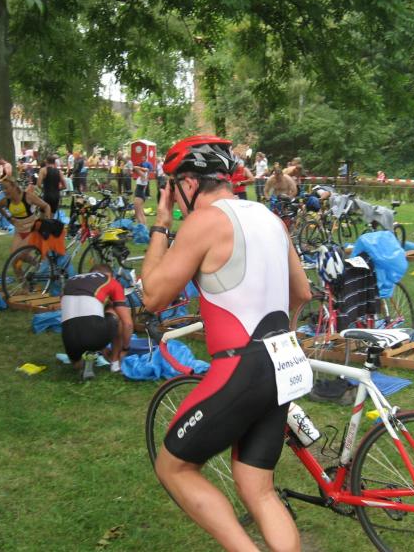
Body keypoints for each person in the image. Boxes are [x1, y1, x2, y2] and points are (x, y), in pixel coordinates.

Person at [140, 135, 310, 551]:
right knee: (259, 489)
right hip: (283, 361)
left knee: (174, 468)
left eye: (172, 189)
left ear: (188, 183)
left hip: (241, 366)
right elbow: (302, 293)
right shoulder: (270, 219)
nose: (174, 200)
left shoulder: (204, 221)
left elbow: (153, 295)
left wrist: (161, 223)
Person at [60, 264, 134, 378]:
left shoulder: (70, 281)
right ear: (110, 275)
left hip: (69, 340)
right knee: (115, 310)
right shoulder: (111, 281)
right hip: (95, 334)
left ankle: (82, 360)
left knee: (84, 318)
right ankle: (115, 363)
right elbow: (128, 324)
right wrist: (125, 349)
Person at [0, 176, 52, 254]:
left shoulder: (27, 196)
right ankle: (35, 261)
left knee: (20, 254)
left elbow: (46, 206)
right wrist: (8, 218)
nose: (4, 191)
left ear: (14, 187)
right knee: (14, 257)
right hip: (19, 230)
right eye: (3, 188)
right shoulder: (5, 201)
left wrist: (47, 222)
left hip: (32, 230)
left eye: (6, 188)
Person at [133, 161, 153, 225]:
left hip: (139, 196)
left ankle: (142, 228)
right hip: (141, 195)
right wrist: (145, 169)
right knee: (141, 213)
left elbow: (135, 167)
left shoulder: (143, 175)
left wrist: (143, 169)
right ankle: (144, 228)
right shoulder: (145, 175)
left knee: (138, 214)